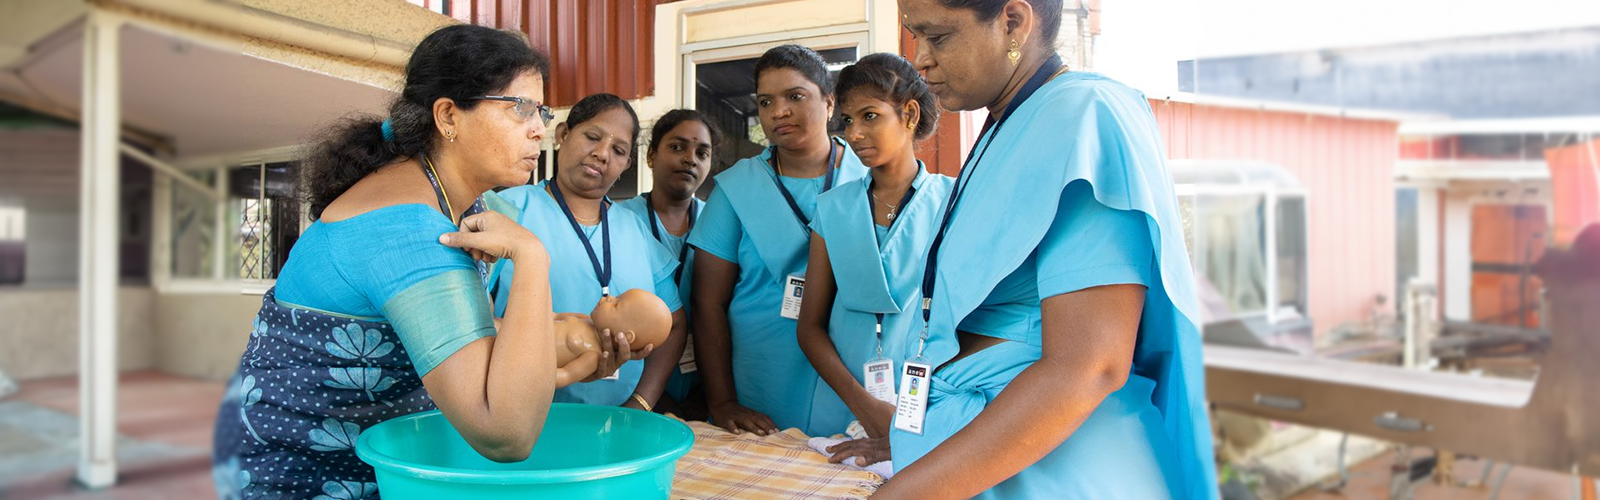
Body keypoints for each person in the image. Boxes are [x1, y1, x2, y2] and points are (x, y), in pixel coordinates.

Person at [875, 0, 1219, 498]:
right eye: (914, 36)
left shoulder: (1085, 114)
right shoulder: (1004, 124)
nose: (920, 58)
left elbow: (1089, 364)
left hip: (1055, 471)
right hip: (980, 459)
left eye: (938, 37)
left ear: (1012, 22)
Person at [213, 25, 570, 498]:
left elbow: (462, 341)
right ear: (448, 116)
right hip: (294, 478)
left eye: (541, 110)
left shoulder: (454, 203)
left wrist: (569, 348)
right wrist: (533, 257)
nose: (539, 128)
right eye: (519, 108)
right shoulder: (408, 230)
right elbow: (506, 432)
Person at [688, 44, 869, 436]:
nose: (778, 111)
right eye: (766, 101)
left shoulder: (868, 180)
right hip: (761, 381)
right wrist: (722, 402)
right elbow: (708, 304)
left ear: (829, 102)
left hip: (852, 377)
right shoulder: (736, 188)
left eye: (795, 96)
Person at [796, 52, 954, 467]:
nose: (855, 133)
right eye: (847, 121)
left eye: (870, 116)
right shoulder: (832, 208)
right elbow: (809, 327)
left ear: (909, 114)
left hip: (928, 403)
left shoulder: (953, 202)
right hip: (842, 399)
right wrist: (864, 405)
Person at [490, 94, 687, 410]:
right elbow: (469, 316)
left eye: (618, 150)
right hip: (518, 414)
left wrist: (641, 401)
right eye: (592, 137)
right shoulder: (509, 209)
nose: (601, 154)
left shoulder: (634, 229)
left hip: (615, 424)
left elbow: (675, 324)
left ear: (626, 165)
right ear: (563, 135)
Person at [613, 109, 723, 419]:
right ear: (650, 156)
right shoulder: (620, 220)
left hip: (705, 380)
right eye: (677, 147)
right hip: (633, 380)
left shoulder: (719, 223)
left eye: (702, 152)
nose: (690, 158)